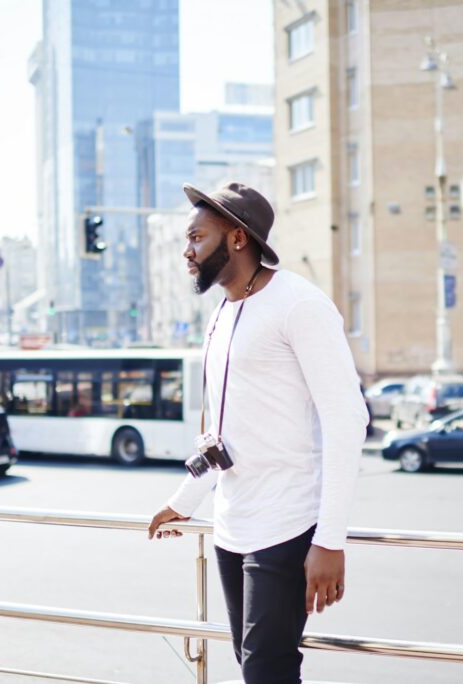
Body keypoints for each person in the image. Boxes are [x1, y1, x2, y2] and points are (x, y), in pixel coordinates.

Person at [147, 182, 368, 683]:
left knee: (268, 672)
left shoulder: (299, 304)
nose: (187, 251)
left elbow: (347, 419)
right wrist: (187, 498)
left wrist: (329, 541)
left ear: (238, 239)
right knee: (253, 668)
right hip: (232, 526)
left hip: (286, 525)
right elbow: (223, 433)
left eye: (197, 237)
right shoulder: (223, 312)